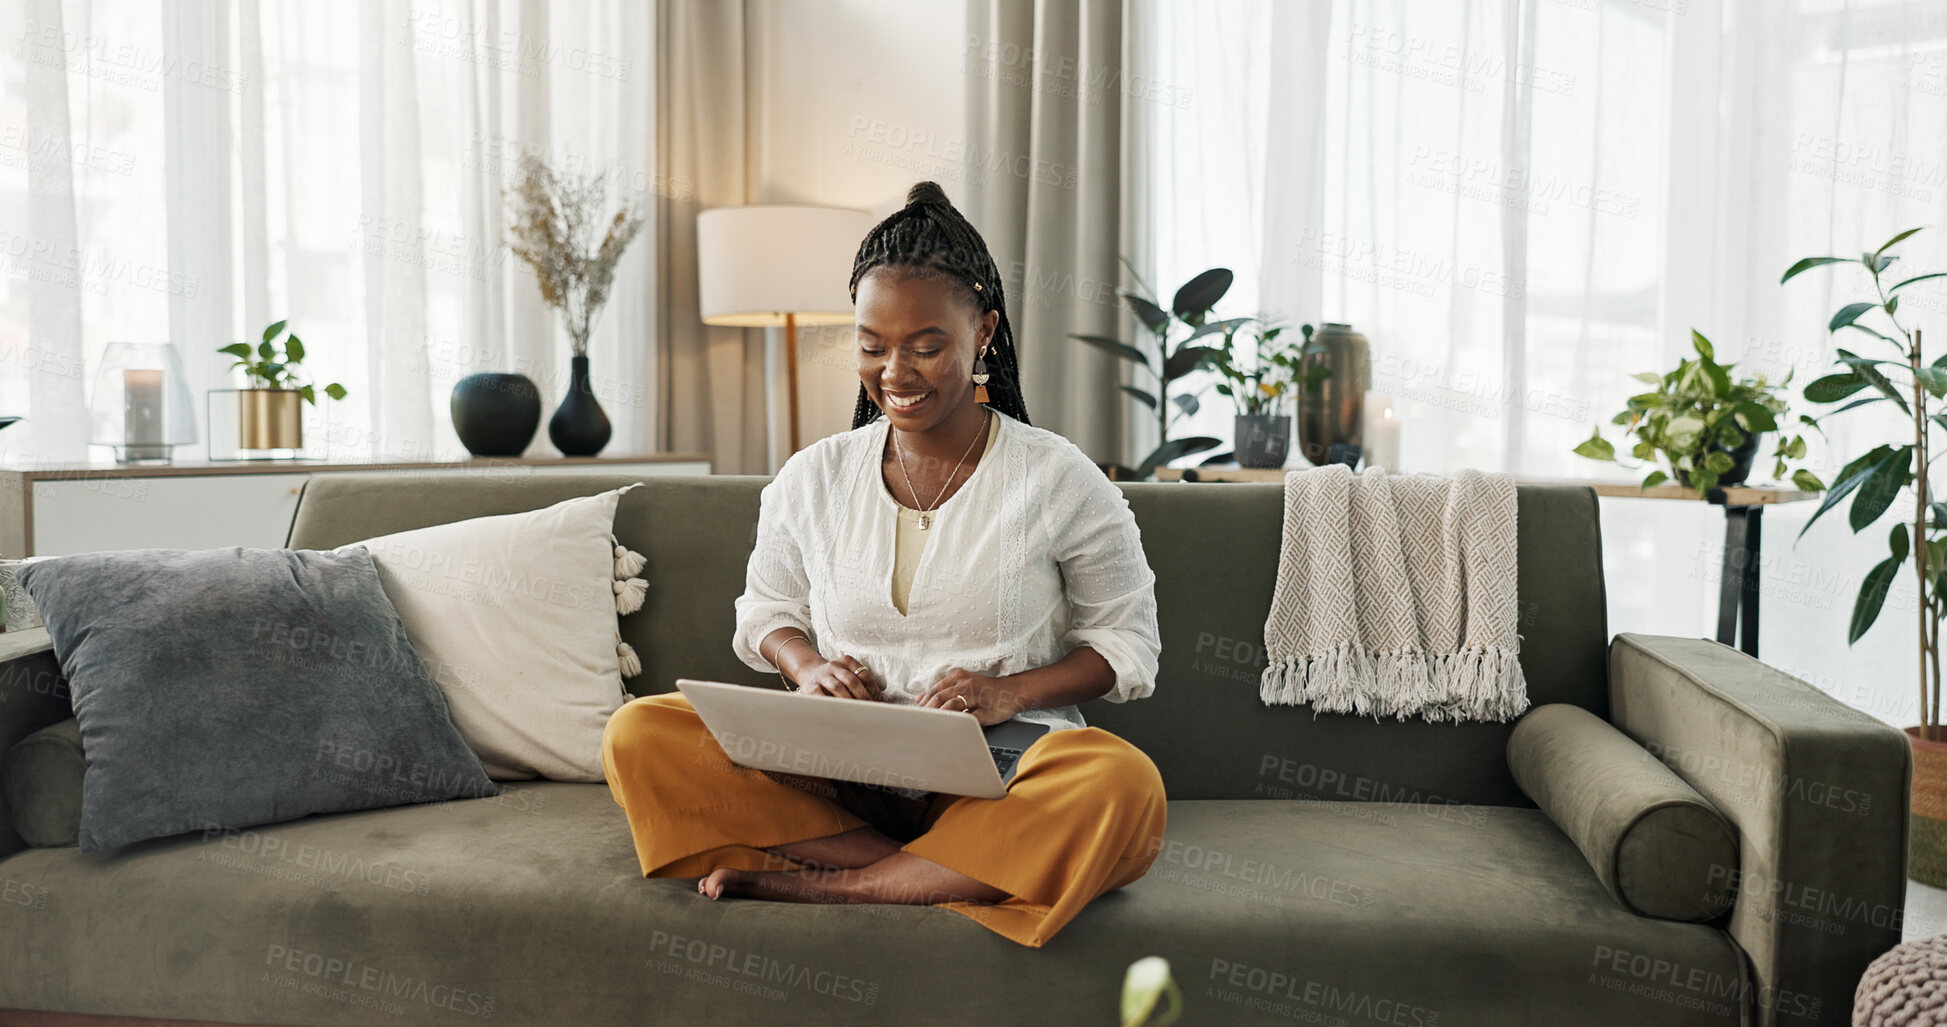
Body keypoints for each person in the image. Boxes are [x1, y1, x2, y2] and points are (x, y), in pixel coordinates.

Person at [601, 180, 1166, 948]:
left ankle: (830, 884)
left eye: (926, 346)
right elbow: (766, 612)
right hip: (836, 768)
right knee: (641, 733)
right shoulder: (813, 474)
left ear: (984, 333)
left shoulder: (1060, 478)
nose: (895, 371)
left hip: (995, 773)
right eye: (872, 345)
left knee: (1119, 784)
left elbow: (1125, 646)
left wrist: (1006, 692)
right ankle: (929, 874)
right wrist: (805, 670)